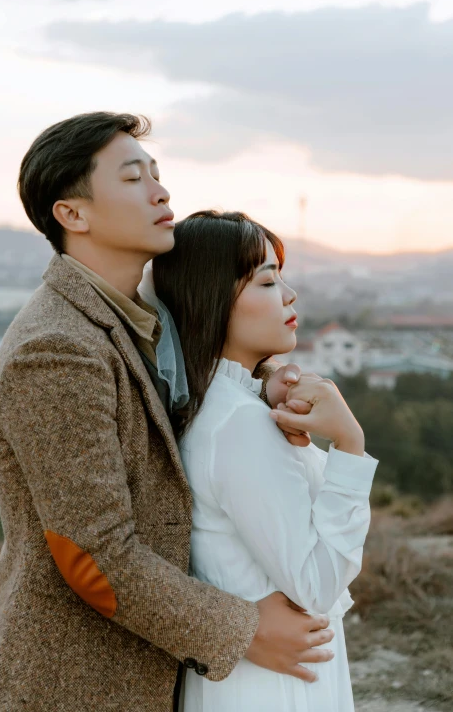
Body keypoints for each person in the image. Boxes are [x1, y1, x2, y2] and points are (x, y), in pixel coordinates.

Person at [0, 113, 335, 712]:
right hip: (76, 685)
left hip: (143, 675)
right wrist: (244, 628)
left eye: (158, 175)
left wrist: (264, 382)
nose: (161, 191)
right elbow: (93, 553)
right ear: (73, 214)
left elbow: (194, 361)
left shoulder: (131, 317)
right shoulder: (57, 348)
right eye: (133, 177)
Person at [152, 210, 379, 712]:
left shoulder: (223, 408)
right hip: (276, 685)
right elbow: (316, 585)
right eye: (268, 280)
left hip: (254, 676)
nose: (290, 294)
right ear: (212, 297)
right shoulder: (238, 424)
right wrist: (349, 443)